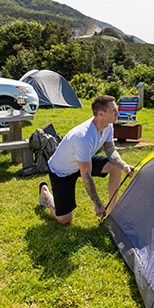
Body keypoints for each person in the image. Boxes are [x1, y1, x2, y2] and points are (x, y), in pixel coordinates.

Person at [38, 95, 135, 224]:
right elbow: (86, 173)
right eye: (114, 111)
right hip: (62, 171)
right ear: (101, 114)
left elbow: (110, 150)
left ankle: (112, 214)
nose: (118, 113)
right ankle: (45, 193)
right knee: (64, 219)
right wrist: (97, 203)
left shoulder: (108, 126)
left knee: (116, 167)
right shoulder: (83, 137)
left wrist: (123, 165)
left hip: (82, 161)